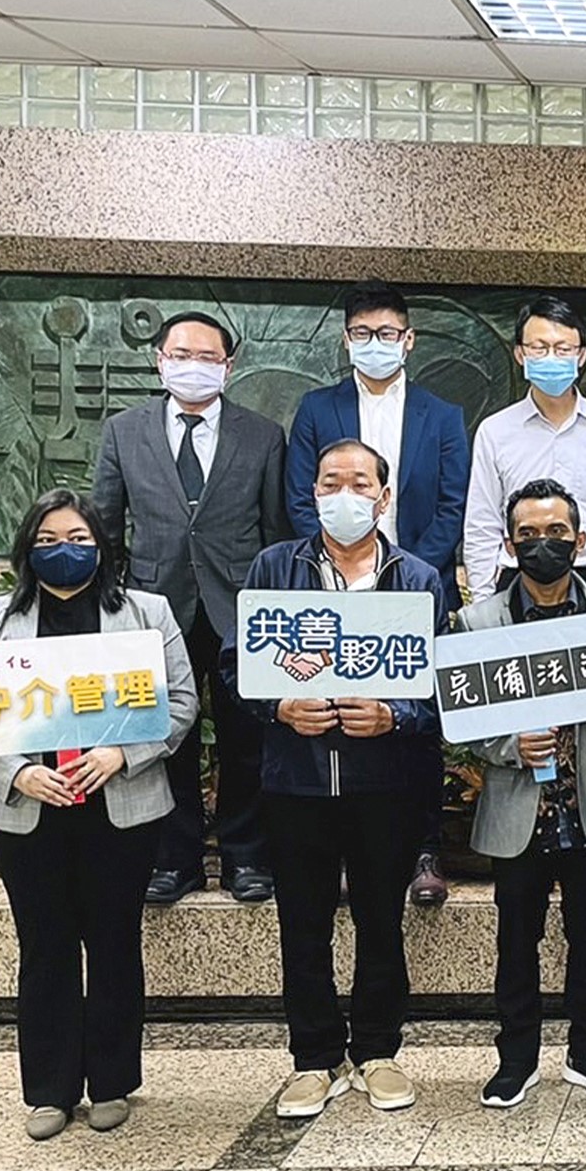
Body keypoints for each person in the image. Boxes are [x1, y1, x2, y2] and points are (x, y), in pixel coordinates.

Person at [0, 489, 197, 1140]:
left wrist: (122, 753)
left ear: (103, 546)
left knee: (115, 943)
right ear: (28, 548)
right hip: (29, 811)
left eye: (78, 539)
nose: (65, 551)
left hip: (121, 808)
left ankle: (112, 1081)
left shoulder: (147, 613)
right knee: (45, 947)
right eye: (49, 540)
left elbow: (183, 703)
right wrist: (17, 773)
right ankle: (50, 1090)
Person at [222, 440, 449, 1119]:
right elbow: (237, 668)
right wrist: (278, 704)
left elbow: (443, 680)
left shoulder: (419, 578)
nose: (343, 494)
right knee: (304, 923)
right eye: (330, 482)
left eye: (359, 482)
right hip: (296, 782)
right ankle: (314, 1058)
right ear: (312, 493)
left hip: (384, 782)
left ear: (383, 497)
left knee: (382, 919)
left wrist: (395, 714)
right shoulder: (274, 568)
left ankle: (378, 1050)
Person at [461, 480, 586, 1108]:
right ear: (512, 545)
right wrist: (513, 746)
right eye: (530, 535)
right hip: (520, 809)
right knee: (516, 939)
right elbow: (464, 721)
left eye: (557, 533)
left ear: (581, 539)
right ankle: (516, 1059)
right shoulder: (479, 620)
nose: (545, 545)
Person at [92, 310, 287, 906]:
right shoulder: (124, 432)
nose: (193, 366)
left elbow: (276, 530)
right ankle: (173, 860)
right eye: (181, 355)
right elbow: (105, 523)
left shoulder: (262, 435)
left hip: (239, 608)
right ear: (159, 360)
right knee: (165, 738)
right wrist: (112, 603)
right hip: (155, 608)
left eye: (208, 357)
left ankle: (244, 858)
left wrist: (272, 608)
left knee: (244, 738)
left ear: (229, 366)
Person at [287, 280, 470, 908]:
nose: (375, 344)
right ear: (346, 339)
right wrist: (339, 564)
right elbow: (299, 496)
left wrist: (401, 571)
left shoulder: (442, 416)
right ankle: (341, 847)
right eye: (362, 334)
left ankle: (420, 848)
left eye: (387, 334)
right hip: (325, 587)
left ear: (409, 340)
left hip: (412, 586)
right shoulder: (317, 408)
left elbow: (452, 504)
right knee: (336, 713)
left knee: (411, 723)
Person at [463, 294, 586, 603]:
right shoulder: (495, 431)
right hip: (519, 581)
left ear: (582, 356)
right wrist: (483, 604)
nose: (551, 357)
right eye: (539, 348)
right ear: (520, 354)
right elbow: (482, 524)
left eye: (563, 349)